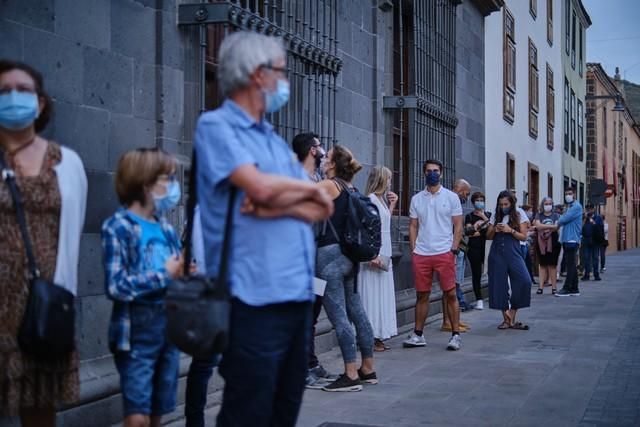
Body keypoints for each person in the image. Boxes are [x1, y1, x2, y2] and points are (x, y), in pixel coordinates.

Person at [194, 32, 333, 426]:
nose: (284, 81)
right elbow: (258, 189)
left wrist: (275, 198)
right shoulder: (217, 126)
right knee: (248, 413)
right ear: (258, 74)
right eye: (281, 72)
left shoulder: (271, 140)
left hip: (294, 296)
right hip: (252, 299)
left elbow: (313, 209)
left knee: (283, 412)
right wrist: (300, 191)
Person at [0, 60, 87, 427]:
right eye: (4, 92)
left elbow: (75, 229)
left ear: (40, 103)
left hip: (42, 301)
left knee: (40, 409)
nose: (14, 97)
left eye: (23, 90)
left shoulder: (67, 162)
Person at [102, 149, 184, 427]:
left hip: (169, 328)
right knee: (137, 415)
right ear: (146, 182)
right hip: (135, 332)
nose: (174, 185)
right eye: (168, 178)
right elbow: (117, 285)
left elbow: (176, 275)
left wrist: (184, 275)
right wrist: (164, 275)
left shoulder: (167, 229)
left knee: (159, 410)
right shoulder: (119, 226)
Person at [316, 145, 377, 392]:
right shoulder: (351, 188)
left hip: (329, 258)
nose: (322, 159)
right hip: (349, 258)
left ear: (332, 165)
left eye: (326, 157)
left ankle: (350, 374)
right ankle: (368, 368)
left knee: (339, 317)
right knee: (357, 313)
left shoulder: (330, 185)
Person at [403, 159, 463, 351]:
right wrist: (414, 250)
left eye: (436, 170)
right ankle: (418, 334)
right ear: (424, 174)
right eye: (429, 171)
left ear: (441, 173)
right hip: (422, 253)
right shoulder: (416, 199)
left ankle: (455, 335)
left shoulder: (451, 197)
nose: (432, 173)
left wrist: (453, 248)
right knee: (422, 294)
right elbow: (412, 225)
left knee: (451, 293)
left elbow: (458, 225)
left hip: (444, 251)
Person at [291, 132, 335, 389]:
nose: (323, 150)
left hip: (317, 253)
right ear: (311, 150)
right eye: (320, 146)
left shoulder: (318, 178)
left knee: (312, 313)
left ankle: (310, 361)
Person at [358, 165, 398, 352]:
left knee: (381, 293)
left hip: (384, 251)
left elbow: (383, 222)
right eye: (388, 178)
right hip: (375, 252)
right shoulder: (371, 199)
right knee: (372, 294)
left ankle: (378, 334)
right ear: (381, 180)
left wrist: (392, 205)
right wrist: (371, 254)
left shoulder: (380, 200)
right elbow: (367, 228)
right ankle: (370, 335)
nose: (390, 182)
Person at [486, 191, 531, 330]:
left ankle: (512, 313)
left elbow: (524, 236)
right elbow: (488, 236)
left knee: (524, 280)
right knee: (499, 283)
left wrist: (510, 230)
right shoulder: (496, 214)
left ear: (511, 203)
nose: (503, 207)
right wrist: (495, 228)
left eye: (506, 204)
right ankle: (506, 319)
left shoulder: (519, 213)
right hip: (497, 250)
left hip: (513, 249)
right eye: (501, 204)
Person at [442, 178, 471, 332]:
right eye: (466, 193)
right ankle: (448, 321)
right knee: (449, 287)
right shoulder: (449, 201)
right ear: (459, 190)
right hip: (450, 248)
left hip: (457, 248)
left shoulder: (455, 202)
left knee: (453, 286)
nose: (467, 197)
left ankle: (453, 319)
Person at [465, 192, 492, 310]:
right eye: (477, 200)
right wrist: (478, 229)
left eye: (482, 200)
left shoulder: (489, 214)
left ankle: (494, 295)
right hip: (474, 248)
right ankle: (479, 299)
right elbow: (470, 232)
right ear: (473, 202)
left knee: (492, 272)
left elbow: (492, 228)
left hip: (487, 247)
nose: (480, 202)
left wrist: (484, 218)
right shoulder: (469, 216)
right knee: (476, 274)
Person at [555, 187, 584, 297]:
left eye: (570, 193)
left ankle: (567, 288)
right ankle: (575, 288)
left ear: (575, 194)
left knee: (570, 265)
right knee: (571, 264)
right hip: (567, 238)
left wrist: (560, 219)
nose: (568, 195)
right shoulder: (570, 207)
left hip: (572, 239)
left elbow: (563, 220)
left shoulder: (576, 207)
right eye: (566, 193)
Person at [533, 197, 561, 295]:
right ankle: (540, 287)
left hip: (553, 241)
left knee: (552, 265)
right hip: (541, 242)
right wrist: (551, 226)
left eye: (550, 204)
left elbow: (557, 227)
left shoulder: (556, 215)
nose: (548, 205)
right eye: (546, 203)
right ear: (542, 205)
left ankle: (554, 287)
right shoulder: (538, 215)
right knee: (543, 264)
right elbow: (538, 226)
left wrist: (544, 227)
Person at [580, 204, 603, 281]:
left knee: (595, 258)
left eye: (590, 209)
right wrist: (585, 218)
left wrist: (591, 219)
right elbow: (581, 227)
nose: (588, 210)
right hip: (586, 240)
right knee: (586, 258)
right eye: (587, 209)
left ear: (593, 209)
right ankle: (586, 275)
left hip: (595, 240)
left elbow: (598, 227)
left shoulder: (598, 217)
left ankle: (596, 275)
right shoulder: (584, 218)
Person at [521, 204, 537, 285]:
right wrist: (530, 233)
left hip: (526, 243)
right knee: (525, 263)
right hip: (523, 243)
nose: (531, 213)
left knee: (528, 262)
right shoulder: (522, 217)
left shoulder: (526, 218)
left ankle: (530, 278)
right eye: (530, 211)